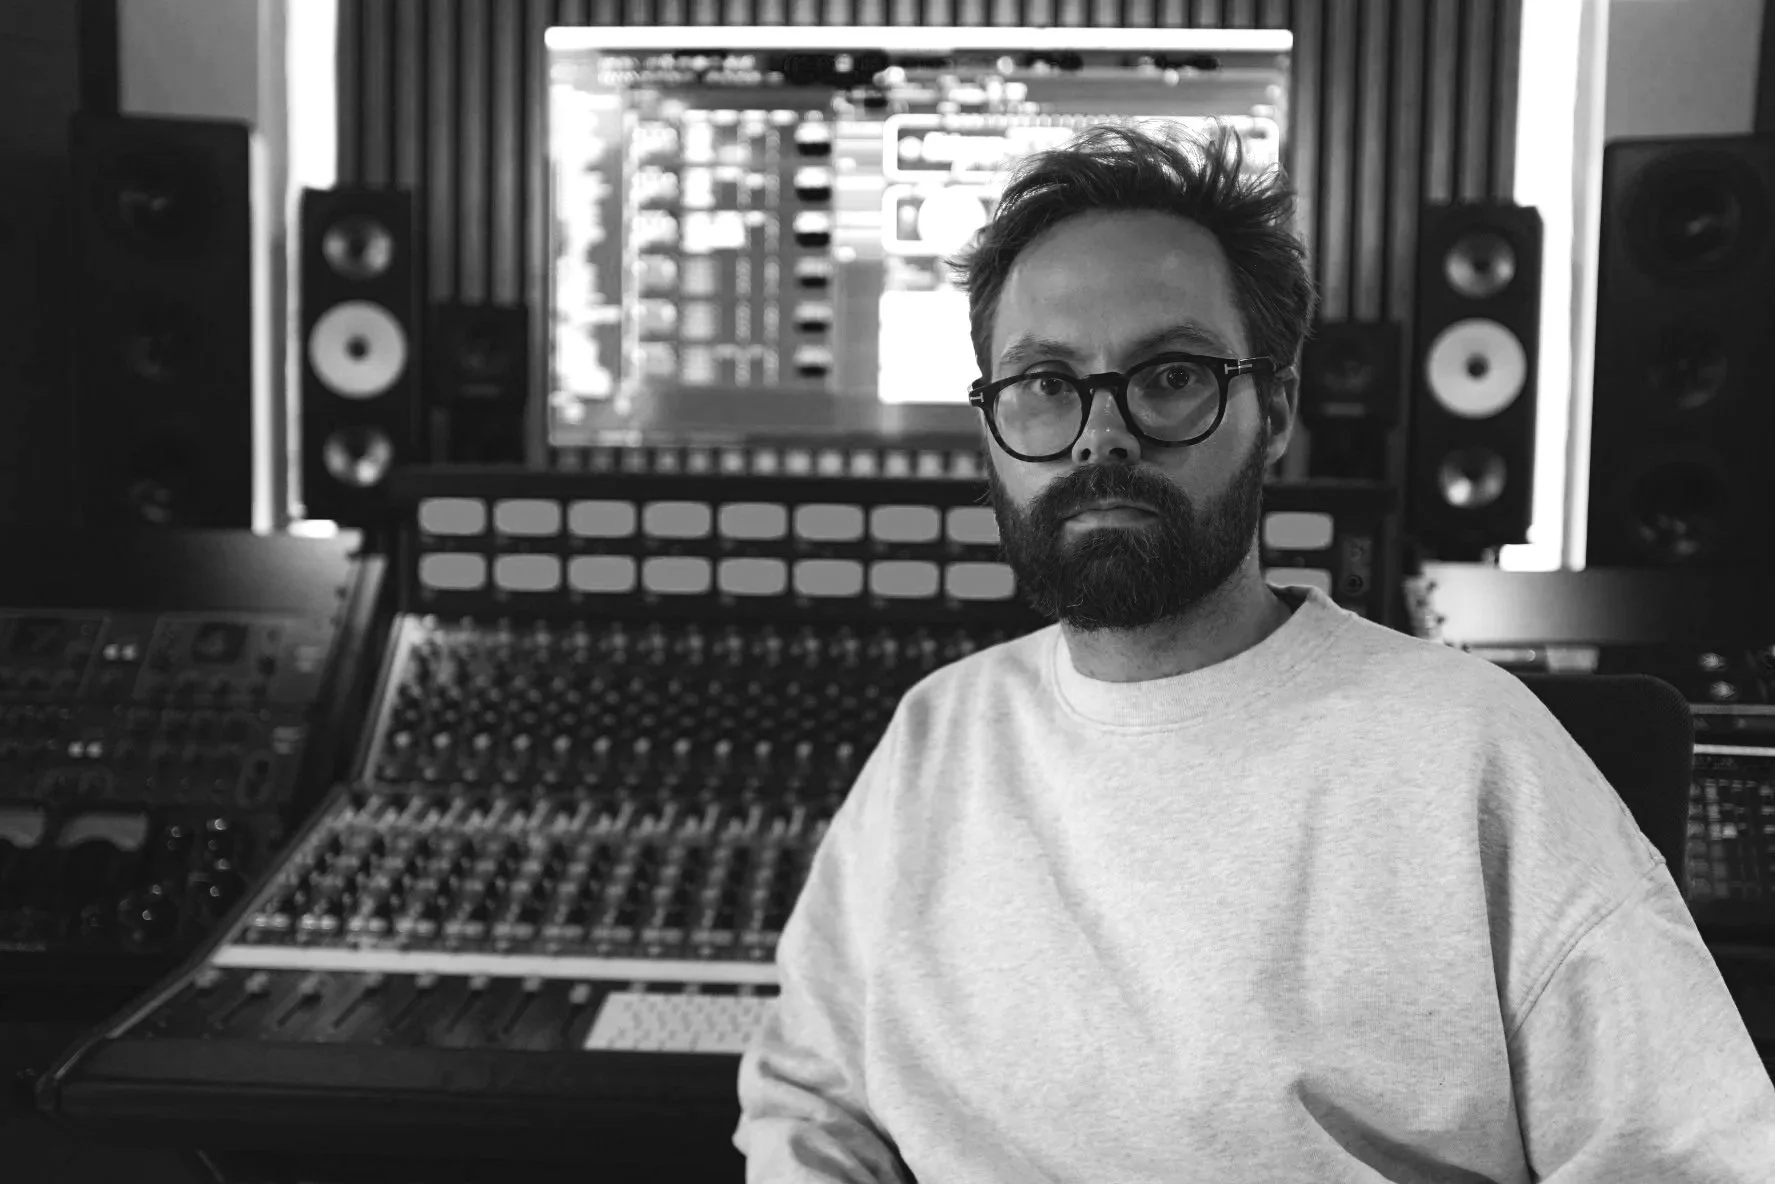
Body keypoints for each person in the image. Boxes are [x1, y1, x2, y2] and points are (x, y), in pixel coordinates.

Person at [731, 120, 1775, 1182]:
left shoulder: (1474, 754)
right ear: (991, 425)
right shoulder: (934, 736)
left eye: (1170, 374)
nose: (1100, 434)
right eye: (1043, 382)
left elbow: (1695, 1160)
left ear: (1272, 410)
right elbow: (810, 1096)